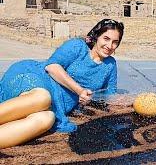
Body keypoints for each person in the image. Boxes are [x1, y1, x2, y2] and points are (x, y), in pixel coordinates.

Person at [0, 18, 124, 149]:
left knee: (47, 119)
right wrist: (79, 90)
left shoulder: (110, 65)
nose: (109, 46)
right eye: (106, 38)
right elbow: (52, 67)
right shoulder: (78, 46)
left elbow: (110, 96)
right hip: (36, 77)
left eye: (115, 42)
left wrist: (132, 101)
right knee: (43, 98)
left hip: (56, 106)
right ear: (97, 36)